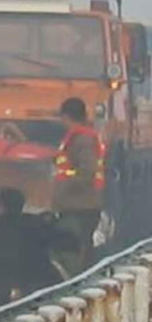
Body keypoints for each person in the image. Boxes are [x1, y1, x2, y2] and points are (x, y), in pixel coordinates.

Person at [0, 188, 70, 314]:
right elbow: (62, 241)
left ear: (1, 205)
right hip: (36, 274)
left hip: (3, 277)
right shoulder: (36, 223)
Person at [51, 98, 106, 277]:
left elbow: (86, 172)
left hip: (79, 207)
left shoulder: (83, 140)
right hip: (78, 205)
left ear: (67, 117)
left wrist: (64, 188)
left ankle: (80, 285)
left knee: (74, 254)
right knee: (77, 251)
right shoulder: (79, 138)